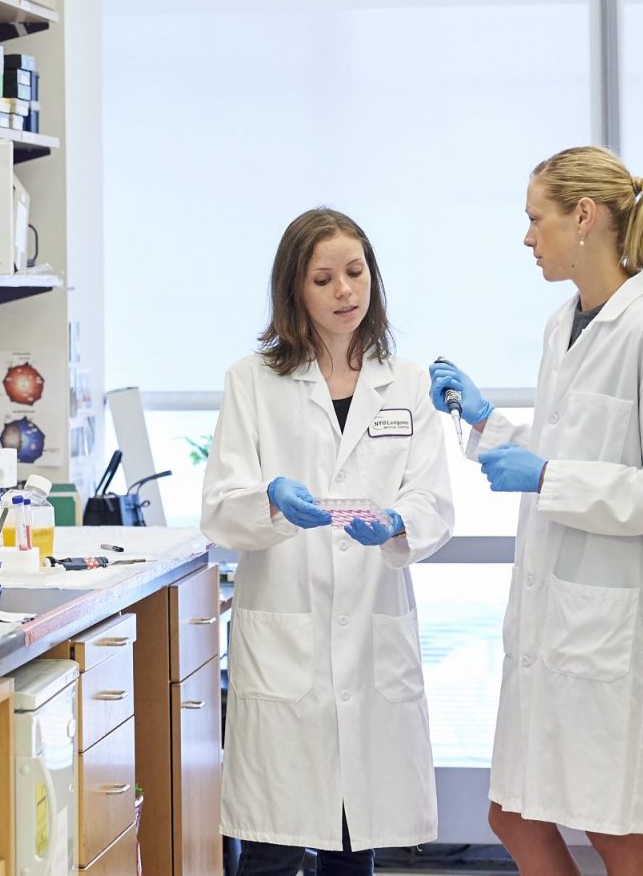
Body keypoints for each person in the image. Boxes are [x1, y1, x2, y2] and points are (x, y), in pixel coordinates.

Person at [429, 146, 643, 876]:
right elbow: (561, 448)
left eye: (537, 219)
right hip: (559, 626)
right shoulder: (565, 324)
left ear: (584, 218)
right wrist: (488, 420)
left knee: (613, 829)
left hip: (615, 633)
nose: (528, 237)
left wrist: (550, 476)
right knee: (514, 813)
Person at [202, 207, 454, 876]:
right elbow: (223, 511)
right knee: (271, 847)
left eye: (355, 272)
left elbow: (433, 500)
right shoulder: (251, 381)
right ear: (295, 291)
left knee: (353, 842)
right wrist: (273, 504)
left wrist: (397, 523)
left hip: (372, 633)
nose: (346, 291)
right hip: (287, 634)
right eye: (324, 278)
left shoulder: (406, 381)